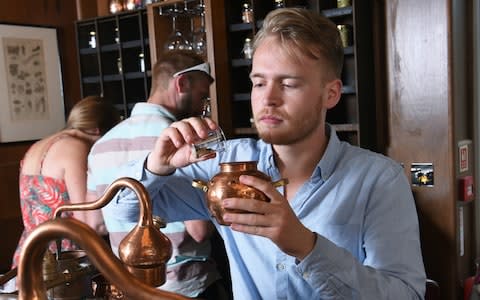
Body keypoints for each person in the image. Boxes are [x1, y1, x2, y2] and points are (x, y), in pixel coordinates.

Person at [108, 8, 426, 299]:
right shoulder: (223, 165)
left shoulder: (379, 179)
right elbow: (124, 212)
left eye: (288, 84)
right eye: (259, 83)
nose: (268, 99)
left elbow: (407, 294)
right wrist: (157, 165)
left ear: (330, 94)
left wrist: (307, 247)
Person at [86, 50, 226, 299]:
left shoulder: (101, 145)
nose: (202, 107)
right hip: (185, 286)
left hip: (128, 287)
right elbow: (199, 231)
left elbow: (94, 223)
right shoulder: (184, 144)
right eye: (201, 96)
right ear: (181, 83)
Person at [11, 95, 120, 269]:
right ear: (98, 131)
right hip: (63, 260)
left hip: (30, 252)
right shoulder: (75, 147)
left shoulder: (38, 145)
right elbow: (87, 219)